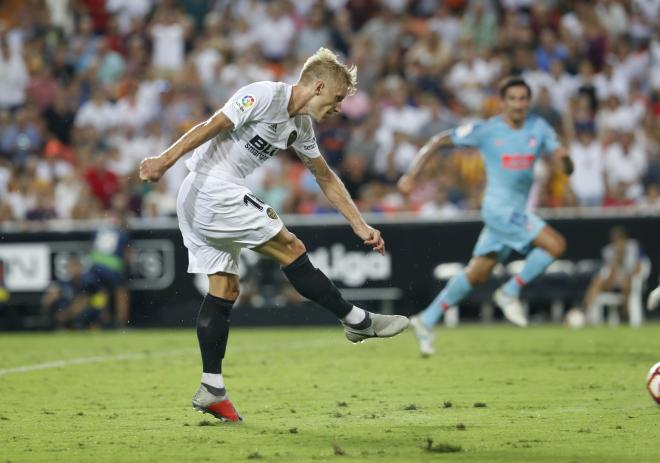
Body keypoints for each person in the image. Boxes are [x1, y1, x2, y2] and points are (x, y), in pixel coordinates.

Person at [139, 48, 409, 422]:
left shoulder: (300, 127)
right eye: (337, 98)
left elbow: (325, 177)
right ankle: (356, 321)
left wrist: (360, 225)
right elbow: (212, 124)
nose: (339, 108)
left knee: (225, 289)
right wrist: (163, 161)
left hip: (203, 198)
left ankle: (212, 388)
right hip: (210, 189)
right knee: (291, 247)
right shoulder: (265, 95)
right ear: (318, 86)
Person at [398, 76, 573, 356]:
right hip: (499, 210)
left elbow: (563, 159)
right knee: (556, 245)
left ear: (528, 102)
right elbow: (440, 140)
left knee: (477, 274)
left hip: (514, 212)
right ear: (503, 103)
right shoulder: (488, 130)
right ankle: (510, 291)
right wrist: (411, 174)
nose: (518, 104)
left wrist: (565, 161)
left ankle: (426, 319)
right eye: (512, 99)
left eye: (522, 99)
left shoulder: (538, 128)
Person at [580, 226, 644, 319]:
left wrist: (628, 276)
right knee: (597, 281)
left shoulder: (635, 246)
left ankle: (625, 313)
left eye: (619, 238)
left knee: (627, 280)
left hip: (630, 280)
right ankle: (584, 311)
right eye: (615, 239)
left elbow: (639, 267)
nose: (617, 242)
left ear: (625, 238)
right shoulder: (608, 250)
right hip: (613, 281)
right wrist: (616, 259)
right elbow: (609, 272)